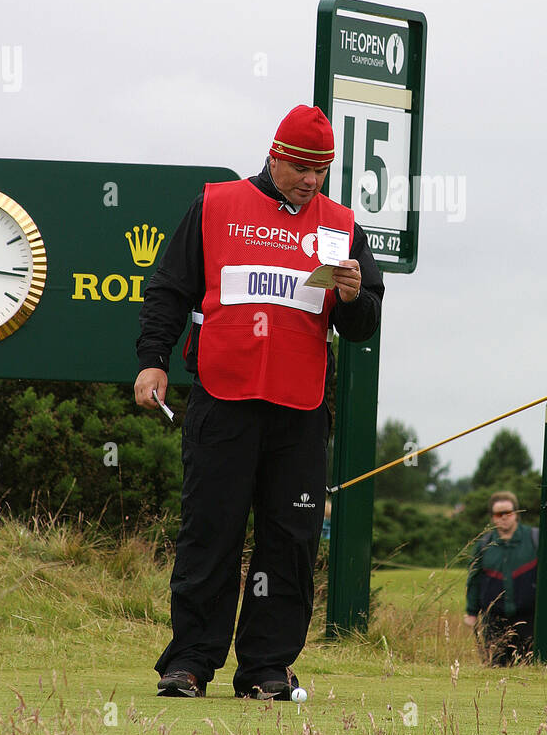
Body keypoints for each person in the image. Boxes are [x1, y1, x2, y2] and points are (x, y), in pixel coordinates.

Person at [134, 104, 383, 701]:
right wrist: (152, 360)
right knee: (210, 529)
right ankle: (190, 661)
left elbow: (364, 323)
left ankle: (267, 668)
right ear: (274, 155)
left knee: (289, 539)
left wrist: (351, 297)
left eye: (320, 170)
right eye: (300, 166)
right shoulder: (217, 204)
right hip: (224, 396)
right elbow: (169, 288)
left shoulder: (341, 225)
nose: (310, 180)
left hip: (299, 409)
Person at [464, 491, 539, 665]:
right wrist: (471, 612)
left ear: (516, 514)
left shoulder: (534, 539)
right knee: (496, 668)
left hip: (530, 619)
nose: (504, 517)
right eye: (499, 514)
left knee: (529, 669)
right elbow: (474, 580)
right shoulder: (483, 544)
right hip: (494, 622)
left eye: (508, 512)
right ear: (492, 517)